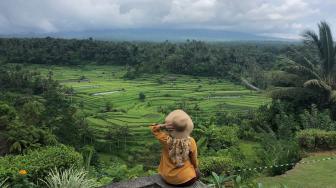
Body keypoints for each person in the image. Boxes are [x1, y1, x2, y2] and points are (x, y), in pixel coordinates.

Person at [150, 109, 200, 187]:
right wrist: (196, 168)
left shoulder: (165, 139)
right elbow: (194, 159)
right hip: (186, 179)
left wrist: (163, 126)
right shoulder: (191, 142)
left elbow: (153, 129)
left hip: (167, 178)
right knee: (197, 175)